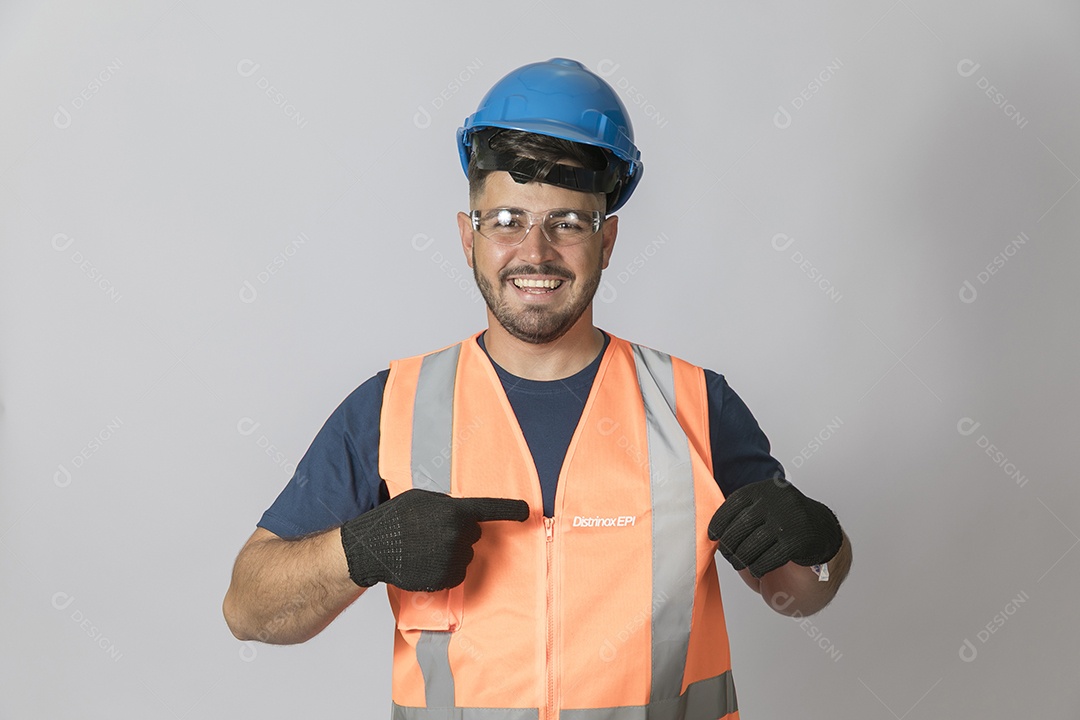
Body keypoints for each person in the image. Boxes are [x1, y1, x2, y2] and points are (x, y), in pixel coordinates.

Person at [223, 57, 852, 719]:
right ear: (467, 237)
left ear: (607, 240)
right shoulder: (391, 408)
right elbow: (248, 610)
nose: (537, 251)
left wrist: (821, 538)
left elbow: (803, 594)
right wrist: (362, 549)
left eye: (569, 223)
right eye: (506, 220)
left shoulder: (695, 404)